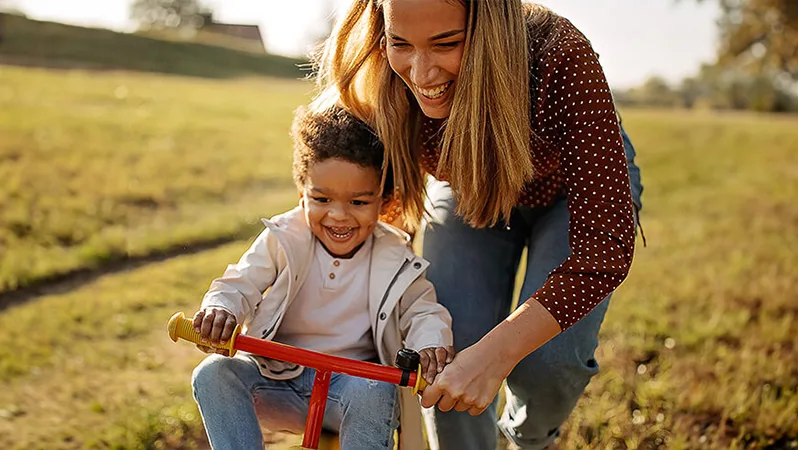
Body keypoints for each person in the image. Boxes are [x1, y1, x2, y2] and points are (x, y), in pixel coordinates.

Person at [310, 1, 644, 449]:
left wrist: (496, 355)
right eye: (401, 43)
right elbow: (351, 206)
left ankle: (530, 440)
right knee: (443, 346)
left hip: (568, 190)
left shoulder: (561, 55)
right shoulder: (375, 74)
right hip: (470, 189)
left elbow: (602, 249)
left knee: (546, 361)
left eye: (447, 44)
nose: (422, 74)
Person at [189, 105, 454, 450]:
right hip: (276, 379)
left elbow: (423, 312)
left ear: (383, 202)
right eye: (321, 198)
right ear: (302, 194)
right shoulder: (284, 238)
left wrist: (429, 343)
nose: (338, 216)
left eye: (359, 202)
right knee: (213, 374)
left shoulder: (395, 258)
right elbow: (241, 282)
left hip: (351, 391)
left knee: (375, 390)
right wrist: (221, 310)